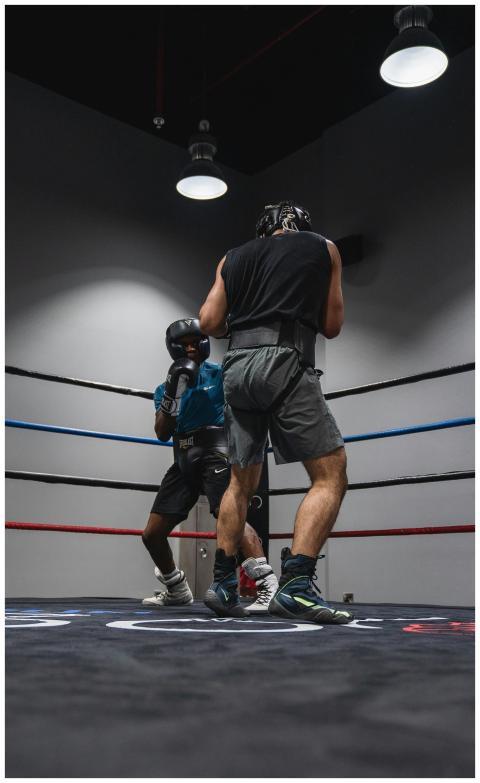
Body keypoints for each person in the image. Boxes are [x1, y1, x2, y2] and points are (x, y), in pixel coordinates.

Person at [199, 201, 353, 624]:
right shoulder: (323, 247)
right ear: (301, 225)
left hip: (236, 368)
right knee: (330, 473)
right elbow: (332, 325)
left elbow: (209, 321)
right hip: (284, 360)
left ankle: (222, 582)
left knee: (240, 482)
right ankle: (297, 586)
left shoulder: (232, 256)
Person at [141, 318, 278, 613]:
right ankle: (177, 588)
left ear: (203, 343)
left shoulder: (221, 374)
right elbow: (162, 432)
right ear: (173, 348)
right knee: (152, 533)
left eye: (195, 341)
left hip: (216, 454)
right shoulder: (163, 387)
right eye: (184, 343)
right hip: (183, 459)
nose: (190, 347)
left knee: (230, 517)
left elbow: (249, 399)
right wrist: (173, 393)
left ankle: (269, 587)